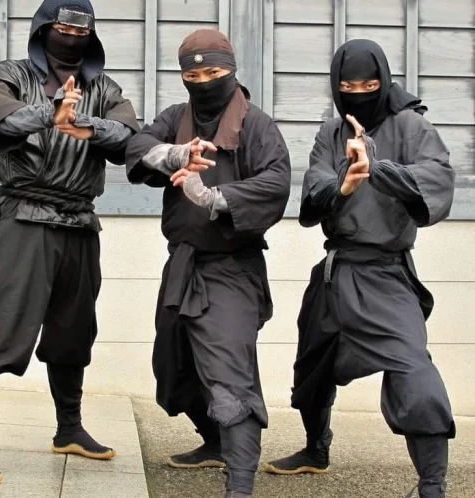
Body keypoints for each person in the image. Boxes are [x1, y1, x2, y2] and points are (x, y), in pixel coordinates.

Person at [0, 0, 139, 467]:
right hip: (23, 217)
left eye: (81, 31)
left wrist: (83, 121)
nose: (71, 37)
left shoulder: (104, 87)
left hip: (80, 222)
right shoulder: (8, 75)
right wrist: (49, 112)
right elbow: (0, 122)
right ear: (42, 29)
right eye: (62, 28)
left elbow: (128, 137)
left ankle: (69, 428)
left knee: (74, 331)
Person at [262, 39, 455, 498]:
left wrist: (377, 168)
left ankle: (432, 484)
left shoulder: (412, 126)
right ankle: (315, 449)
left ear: (384, 81)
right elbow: (314, 191)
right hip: (335, 271)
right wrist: (344, 185)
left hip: (385, 274)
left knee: (413, 370)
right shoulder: (330, 133)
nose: (359, 94)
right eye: (348, 87)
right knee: (311, 368)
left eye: (369, 86)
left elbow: (437, 177)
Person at [126, 29, 291, 498]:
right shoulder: (176, 118)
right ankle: (215, 442)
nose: (203, 82)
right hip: (182, 264)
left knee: (228, 377)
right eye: (192, 76)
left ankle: (239, 486)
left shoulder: (257, 125)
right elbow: (137, 147)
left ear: (232, 70)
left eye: (214, 72)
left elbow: (277, 182)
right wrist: (175, 153)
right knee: (174, 368)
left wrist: (214, 196)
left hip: (232, 268)